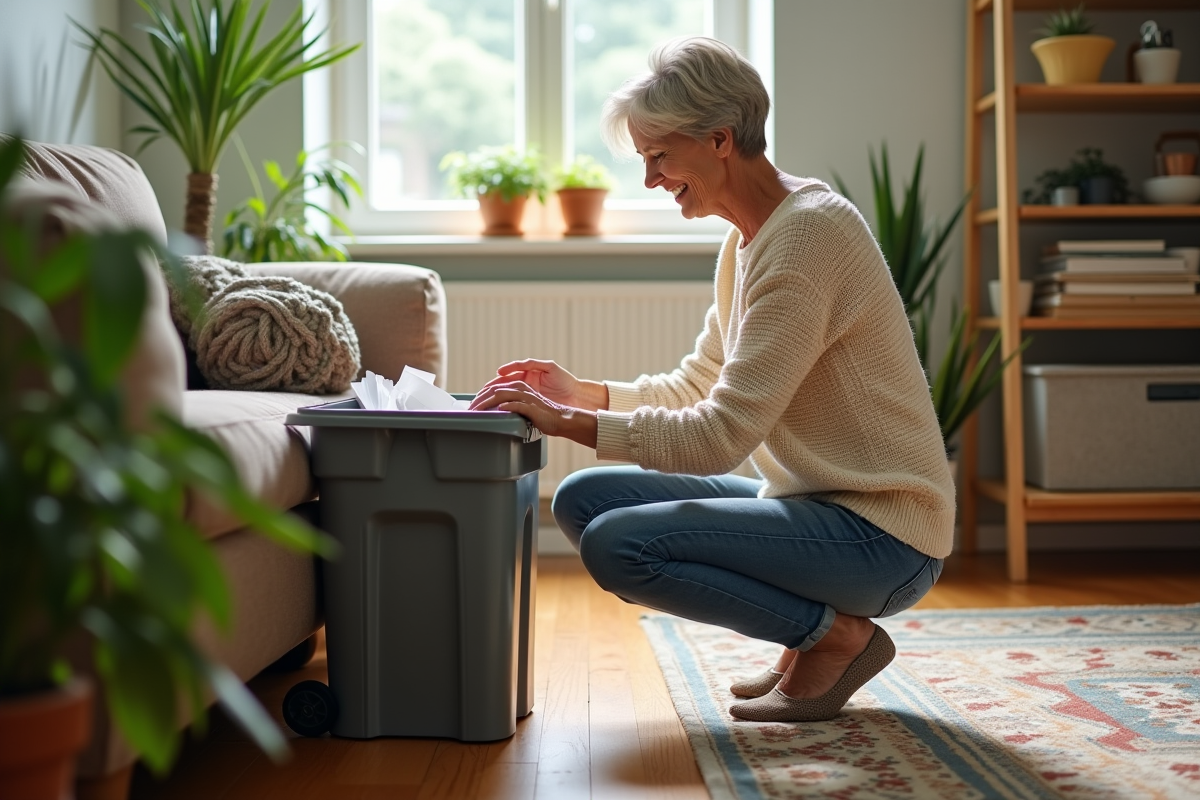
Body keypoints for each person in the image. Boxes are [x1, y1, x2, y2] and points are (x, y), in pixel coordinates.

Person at [469, 36, 954, 722]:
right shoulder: (750, 238)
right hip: (815, 505)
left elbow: (720, 436)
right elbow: (701, 380)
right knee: (583, 500)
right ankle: (810, 636)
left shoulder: (809, 237)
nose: (651, 179)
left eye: (659, 156)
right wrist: (583, 394)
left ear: (720, 140)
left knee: (619, 544)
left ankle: (834, 636)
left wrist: (571, 423)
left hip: (882, 537)